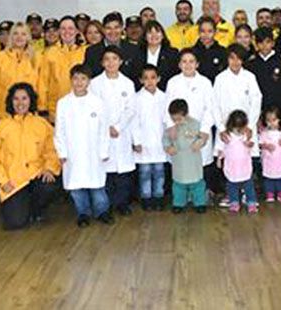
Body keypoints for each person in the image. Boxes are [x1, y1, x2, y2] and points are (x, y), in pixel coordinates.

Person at [0, 83, 60, 230]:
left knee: (49, 186)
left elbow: (52, 150)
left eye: (24, 98)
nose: (20, 103)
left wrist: (49, 168)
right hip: (13, 181)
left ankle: (36, 209)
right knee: (15, 223)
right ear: (10, 102)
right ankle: (22, 206)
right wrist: (2, 180)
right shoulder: (2, 126)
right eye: (16, 99)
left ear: (31, 100)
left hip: (36, 175)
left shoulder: (41, 124)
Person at [54, 64, 114, 228]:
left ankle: (102, 211)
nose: (79, 82)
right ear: (71, 80)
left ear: (89, 81)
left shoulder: (97, 102)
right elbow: (59, 129)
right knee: (76, 186)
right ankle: (83, 213)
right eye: (75, 78)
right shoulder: (63, 103)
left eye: (83, 78)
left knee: (97, 186)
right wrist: (62, 151)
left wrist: (104, 150)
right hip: (73, 152)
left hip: (94, 152)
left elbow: (103, 129)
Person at [89, 46, 136, 216]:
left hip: (122, 133)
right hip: (102, 133)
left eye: (114, 59)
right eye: (107, 59)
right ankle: (106, 205)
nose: (111, 62)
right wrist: (107, 127)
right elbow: (93, 107)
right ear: (102, 62)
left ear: (121, 62)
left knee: (123, 174)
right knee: (106, 172)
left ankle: (122, 204)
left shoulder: (128, 83)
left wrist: (117, 127)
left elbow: (131, 109)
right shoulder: (94, 84)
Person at [164, 49, 216, 198]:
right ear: (179, 64)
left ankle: (200, 196)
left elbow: (210, 108)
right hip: (179, 130)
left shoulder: (205, 82)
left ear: (197, 64)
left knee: (199, 164)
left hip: (198, 131)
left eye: (191, 61)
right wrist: (171, 126)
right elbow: (167, 107)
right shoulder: (173, 82)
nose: (188, 64)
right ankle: (182, 196)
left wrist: (205, 131)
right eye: (184, 61)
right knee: (181, 164)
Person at [214, 44, 263, 200]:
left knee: (246, 160)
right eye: (232, 58)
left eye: (239, 58)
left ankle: (246, 193)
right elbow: (214, 104)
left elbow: (257, 100)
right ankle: (231, 194)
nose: (235, 62)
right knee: (228, 161)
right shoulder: (220, 78)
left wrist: (250, 126)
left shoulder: (250, 77)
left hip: (245, 127)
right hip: (227, 128)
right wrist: (221, 128)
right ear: (227, 59)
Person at [0, 22, 39, 125]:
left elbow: (40, 87)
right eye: (16, 33)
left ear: (28, 37)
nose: (19, 37)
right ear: (11, 37)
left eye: (23, 34)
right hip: (3, 115)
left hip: (29, 116)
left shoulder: (36, 59)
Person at [131, 65, 168, 211]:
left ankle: (158, 197)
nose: (150, 81)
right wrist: (137, 141)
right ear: (141, 80)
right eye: (145, 78)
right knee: (145, 172)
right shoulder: (137, 98)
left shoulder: (164, 97)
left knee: (159, 172)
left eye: (153, 77)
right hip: (143, 142)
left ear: (158, 79)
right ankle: (146, 198)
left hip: (160, 142)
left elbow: (167, 120)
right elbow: (134, 121)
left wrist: (168, 140)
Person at [37, 16, 87, 121]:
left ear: (77, 31)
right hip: (56, 109)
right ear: (59, 31)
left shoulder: (85, 52)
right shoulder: (50, 52)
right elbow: (43, 81)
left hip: (81, 107)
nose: (67, 32)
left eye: (70, 28)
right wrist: (42, 108)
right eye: (63, 28)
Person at [164, 99, 209, 214]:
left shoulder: (195, 124)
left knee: (197, 184)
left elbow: (203, 137)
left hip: (193, 159)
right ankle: (178, 203)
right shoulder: (170, 127)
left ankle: (200, 203)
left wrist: (200, 142)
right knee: (179, 184)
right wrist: (168, 147)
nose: (177, 122)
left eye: (179, 119)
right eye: (174, 119)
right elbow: (165, 139)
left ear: (186, 114)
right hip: (179, 159)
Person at [220, 110, 258, 214]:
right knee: (232, 186)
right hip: (232, 166)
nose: (239, 130)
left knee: (249, 186)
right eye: (236, 128)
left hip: (244, 166)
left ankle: (251, 202)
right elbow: (223, 149)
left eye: (241, 128)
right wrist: (220, 158)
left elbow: (251, 145)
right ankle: (234, 202)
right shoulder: (227, 136)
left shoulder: (247, 135)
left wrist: (249, 144)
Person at [84, 12, 140, 79]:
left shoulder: (134, 50)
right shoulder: (92, 51)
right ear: (103, 30)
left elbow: (137, 77)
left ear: (122, 28)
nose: (113, 31)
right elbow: (87, 77)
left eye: (116, 27)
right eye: (108, 28)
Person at [248, 27, 281, 113]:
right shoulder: (251, 64)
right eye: (261, 42)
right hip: (257, 110)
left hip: (277, 110)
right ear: (256, 45)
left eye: (268, 42)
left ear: (273, 43)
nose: (264, 45)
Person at [259, 106, 281, 203]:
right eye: (268, 120)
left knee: (280, 176)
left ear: (279, 120)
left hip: (280, 159)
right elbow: (260, 144)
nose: (271, 123)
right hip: (269, 159)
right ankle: (269, 193)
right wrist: (266, 146)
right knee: (269, 177)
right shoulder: (264, 133)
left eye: (274, 120)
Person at [138, 20, 179, 90]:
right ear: (145, 36)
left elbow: (175, 76)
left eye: (157, 32)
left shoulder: (172, 53)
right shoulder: (137, 53)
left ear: (163, 35)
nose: (154, 35)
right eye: (150, 32)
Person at [192, 16, 228, 82]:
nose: (206, 35)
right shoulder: (192, 52)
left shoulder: (223, 52)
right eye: (203, 31)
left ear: (215, 32)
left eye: (209, 31)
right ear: (198, 32)